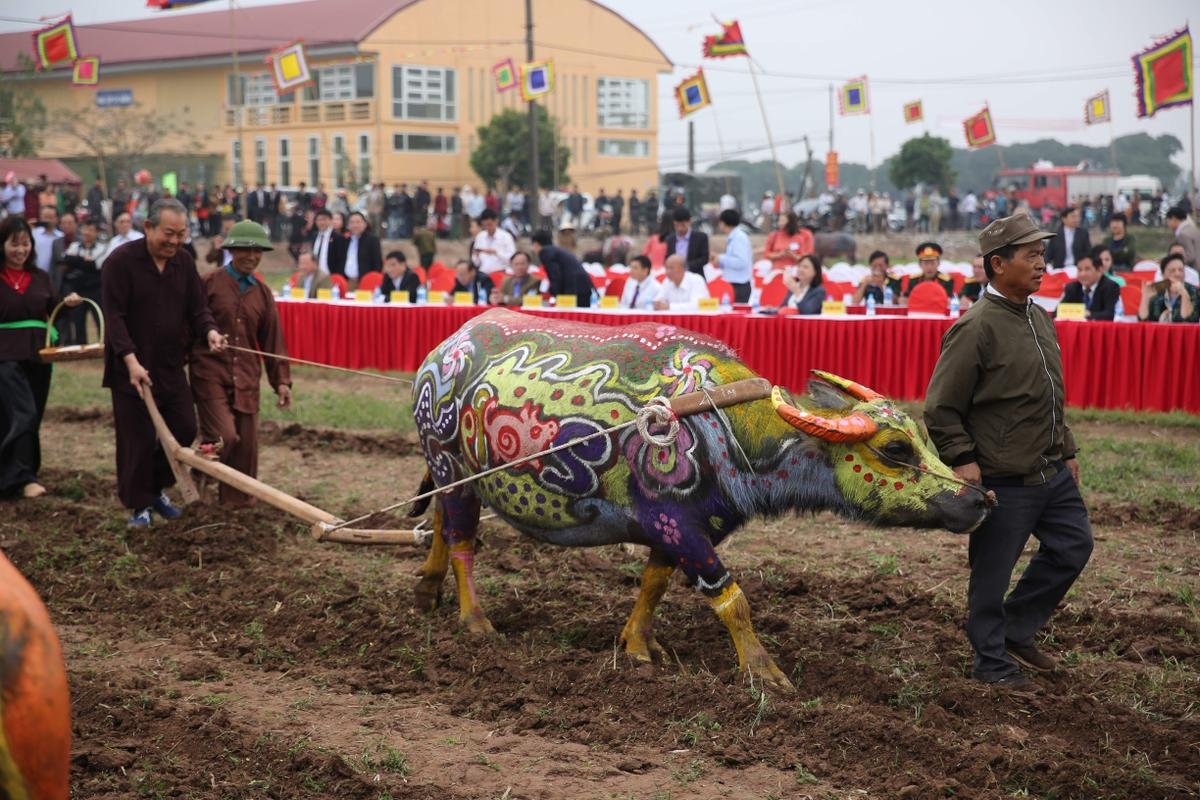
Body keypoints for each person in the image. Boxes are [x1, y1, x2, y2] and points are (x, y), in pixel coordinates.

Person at [924, 213, 1091, 690]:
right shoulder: (975, 328)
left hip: (1050, 469)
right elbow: (940, 408)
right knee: (991, 576)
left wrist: (1068, 448)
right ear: (998, 264)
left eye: (1043, 254)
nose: (1042, 264)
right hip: (1003, 479)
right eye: (1031, 255)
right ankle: (991, 662)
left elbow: (1049, 392)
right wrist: (963, 459)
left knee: (1074, 546)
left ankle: (1016, 630)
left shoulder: (1039, 317)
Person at [102, 199, 224, 527]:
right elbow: (115, 319)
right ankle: (139, 505)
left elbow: (198, 309)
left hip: (169, 365)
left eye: (181, 234)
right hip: (130, 367)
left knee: (184, 429)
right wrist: (130, 361)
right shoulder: (120, 262)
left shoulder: (183, 263)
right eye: (167, 234)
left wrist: (210, 330)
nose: (174, 241)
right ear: (148, 228)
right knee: (136, 438)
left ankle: (153, 489)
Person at [189, 221, 291, 507]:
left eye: (257, 250)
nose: (251, 256)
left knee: (245, 446)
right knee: (226, 436)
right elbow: (190, 324)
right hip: (209, 371)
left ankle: (236, 507)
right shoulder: (209, 283)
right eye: (245, 249)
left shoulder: (262, 293)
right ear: (231, 250)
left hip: (246, 376)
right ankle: (200, 469)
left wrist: (281, 382)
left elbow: (273, 342)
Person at [0, 217, 83, 499]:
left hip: (38, 356)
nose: (20, 250)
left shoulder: (40, 278)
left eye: (25, 243)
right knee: (23, 413)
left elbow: (55, 310)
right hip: (5, 356)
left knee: (30, 417)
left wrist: (67, 303)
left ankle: (24, 473)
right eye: (14, 243)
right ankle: (20, 477)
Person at [60, 220, 105, 344]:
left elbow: (96, 265)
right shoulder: (75, 246)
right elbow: (66, 260)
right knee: (78, 320)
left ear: (97, 232)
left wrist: (77, 262)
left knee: (100, 318)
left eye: (91, 230)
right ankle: (81, 345)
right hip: (78, 289)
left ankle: (103, 345)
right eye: (85, 229)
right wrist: (83, 260)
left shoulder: (102, 248)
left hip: (96, 290)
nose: (87, 233)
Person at [531, 230, 592, 307]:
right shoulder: (555, 250)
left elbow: (555, 275)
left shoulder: (545, 252)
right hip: (582, 287)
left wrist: (557, 296)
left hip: (574, 288)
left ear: (536, 244)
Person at [1138, 253, 1198, 323]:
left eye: (1181, 270)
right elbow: (1143, 319)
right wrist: (1145, 297)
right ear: (1163, 275)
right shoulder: (1158, 291)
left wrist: (1183, 293)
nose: (1177, 274)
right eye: (1172, 270)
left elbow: (1189, 319)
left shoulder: (1194, 291)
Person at [329, 211, 381, 289]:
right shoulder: (343, 240)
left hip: (364, 282)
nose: (355, 225)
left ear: (365, 224)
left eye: (358, 222)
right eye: (352, 222)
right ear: (348, 225)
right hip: (345, 281)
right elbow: (336, 261)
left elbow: (377, 263)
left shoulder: (372, 240)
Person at [710, 209, 752, 302]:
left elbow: (741, 262)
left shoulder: (739, 238)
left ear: (723, 223)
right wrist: (719, 260)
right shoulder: (733, 237)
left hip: (739, 285)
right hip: (733, 283)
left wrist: (721, 258)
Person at [1060, 255, 1120, 321]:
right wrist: (1078, 313)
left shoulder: (1111, 287)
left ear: (1100, 270)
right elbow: (1058, 312)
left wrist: (1089, 314)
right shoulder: (1072, 288)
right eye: (1079, 270)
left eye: (1087, 269)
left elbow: (1109, 315)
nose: (1082, 274)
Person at [663, 207, 710, 276]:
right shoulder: (670, 239)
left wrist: (686, 266)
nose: (680, 228)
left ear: (689, 222)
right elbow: (668, 257)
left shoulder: (701, 238)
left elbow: (704, 258)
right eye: (677, 226)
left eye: (683, 225)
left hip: (695, 276)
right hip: (675, 276)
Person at [471, 208, 516, 276]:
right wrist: (476, 255)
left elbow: (512, 258)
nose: (487, 228)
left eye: (489, 224)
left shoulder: (506, 236)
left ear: (496, 221)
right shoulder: (480, 236)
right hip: (483, 273)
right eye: (485, 225)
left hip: (501, 272)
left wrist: (496, 253)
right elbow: (476, 262)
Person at [1046, 206, 1091, 271]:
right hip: (1060, 269)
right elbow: (1048, 254)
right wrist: (1047, 265)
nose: (1077, 219)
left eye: (1078, 216)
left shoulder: (1083, 233)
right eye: (1073, 217)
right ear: (1064, 219)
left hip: (1077, 268)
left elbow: (1088, 252)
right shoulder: (1056, 235)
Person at [308, 209, 336, 274]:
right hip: (316, 275)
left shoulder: (336, 237)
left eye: (324, 219)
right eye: (319, 220)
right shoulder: (314, 236)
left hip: (331, 274)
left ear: (331, 220)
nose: (322, 222)